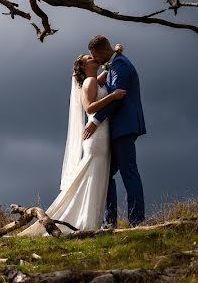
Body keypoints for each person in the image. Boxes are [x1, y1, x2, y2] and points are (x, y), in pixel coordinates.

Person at [18, 45, 126, 235]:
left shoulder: (94, 80)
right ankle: (86, 221)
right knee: (94, 177)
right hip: (97, 137)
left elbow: (107, 72)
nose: (93, 58)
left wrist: (116, 53)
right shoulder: (89, 82)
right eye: (89, 59)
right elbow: (90, 108)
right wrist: (112, 97)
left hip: (101, 134)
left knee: (98, 178)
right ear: (84, 67)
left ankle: (93, 220)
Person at [83, 35, 146, 227]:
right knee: (107, 174)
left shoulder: (121, 66)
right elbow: (106, 74)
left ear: (102, 51)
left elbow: (117, 98)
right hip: (116, 128)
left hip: (124, 127)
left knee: (129, 172)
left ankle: (136, 220)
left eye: (95, 55)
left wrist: (96, 120)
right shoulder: (114, 63)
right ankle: (109, 222)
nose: (95, 59)